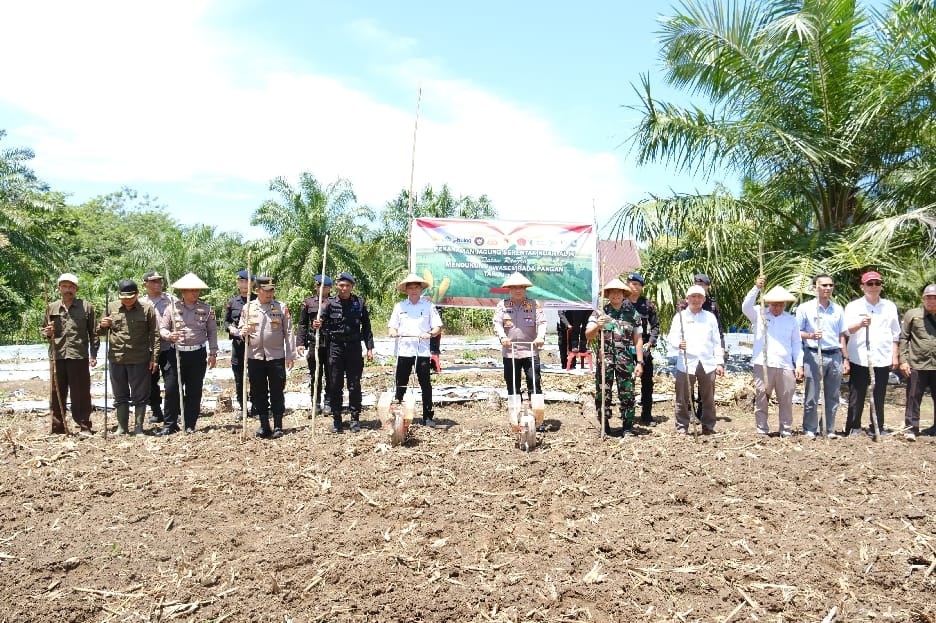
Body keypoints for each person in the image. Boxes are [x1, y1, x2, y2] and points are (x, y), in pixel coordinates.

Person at [313, 272, 374, 433]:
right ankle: (337, 419)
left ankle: (354, 419)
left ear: (352, 287)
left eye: (347, 285)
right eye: (341, 285)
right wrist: (318, 324)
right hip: (336, 348)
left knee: (354, 385)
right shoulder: (329, 303)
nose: (344, 288)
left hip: (354, 348)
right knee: (335, 385)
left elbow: (366, 327)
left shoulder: (359, 303)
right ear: (337, 286)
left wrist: (369, 348)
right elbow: (321, 322)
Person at [742, 278, 804, 437]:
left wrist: (799, 364)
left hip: (785, 365)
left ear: (784, 304)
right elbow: (745, 306)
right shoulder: (759, 313)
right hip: (763, 364)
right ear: (768, 303)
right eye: (773, 304)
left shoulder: (791, 320)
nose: (776, 307)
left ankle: (785, 430)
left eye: (780, 304)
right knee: (762, 397)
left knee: (786, 400)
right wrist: (756, 287)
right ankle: (762, 430)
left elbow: (796, 343)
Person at [159, 272, 218, 435]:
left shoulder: (206, 309)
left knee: (194, 390)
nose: (195, 293)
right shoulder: (171, 308)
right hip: (175, 353)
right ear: (182, 292)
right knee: (171, 389)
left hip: (197, 354)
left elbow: (212, 332)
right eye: (191, 290)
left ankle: (190, 424)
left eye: (197, 290)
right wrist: (169, 335)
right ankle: (169, 424)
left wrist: (213, 353)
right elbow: (163, 328)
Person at [98, 279, 159, 435]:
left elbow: (155, 334)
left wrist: (154, 358)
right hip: (117, 358)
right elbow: (98, 332)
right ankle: (122, 427)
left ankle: (138, 427)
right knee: (120, 394)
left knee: (140, 395)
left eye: (130, 297)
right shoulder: (111, 307)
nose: (127, 300)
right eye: (124, 297)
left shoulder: (147, 309)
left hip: (139, 358)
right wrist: (102, 325)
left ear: (137, 294)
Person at [238, 276, 297, 439]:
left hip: (276, 357)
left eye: (272, 290)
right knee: (258, 392)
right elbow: (241, 329)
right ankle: (264, 425)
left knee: (277, 391)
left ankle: (278, 425)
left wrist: (290, 354)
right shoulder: (248, 308)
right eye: (266, 291)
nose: (270, 293)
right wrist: (243, 332)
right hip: (254, 356)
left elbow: (289, 331)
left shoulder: (280, 307)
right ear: (257, 291)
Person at [843, 271, 901, 437]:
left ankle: (877, 426)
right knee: (857, 394)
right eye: (870, 284)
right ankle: (853, 427)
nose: (874, 287)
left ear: (881, 286)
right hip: (859, 357)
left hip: (882, 357)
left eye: (877, 283)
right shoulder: (854, 307)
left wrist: (894, 355)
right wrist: (860, 324)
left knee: (879, 394)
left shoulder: (889, 306)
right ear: (862, 287)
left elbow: (895, 334)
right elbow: (846, 330)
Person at [584, 278, 644, 436]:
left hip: (626, 361)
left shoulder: (633, 315)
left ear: (624, 294)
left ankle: (627, 427)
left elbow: (638, 339)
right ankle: (605, 426)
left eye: (619, 292)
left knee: (627, 393)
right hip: (605, 360)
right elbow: (588, 335)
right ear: (608, 294)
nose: (616, 295)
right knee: (603, 393)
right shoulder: (599, 313)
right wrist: (598, 325)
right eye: (613, 292)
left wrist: (639, 362)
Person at [43, 273, 99, 436]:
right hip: (57, 355)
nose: (68, 290)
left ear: (76, 289)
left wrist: (93, 354)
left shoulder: (86, 307)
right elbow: (45, 332)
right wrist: (48, 333)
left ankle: (84, 426)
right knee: (56, 392)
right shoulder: (51, 308)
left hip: (78, 355)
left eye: (71, 287)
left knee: (80, 392)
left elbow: (93, 333)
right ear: (59, 288)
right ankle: (57, 427)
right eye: (65, 286)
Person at [795, 274, 849, 439]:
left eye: (830, 285)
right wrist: (811, 335)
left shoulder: (838, 309)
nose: (828, 288)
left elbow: (842, 335)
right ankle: (809, 429)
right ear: (815, 287)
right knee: (812, 394)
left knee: (832, 395)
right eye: (824, 285)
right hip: (813, 354)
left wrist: (845, 358)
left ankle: (828, 428)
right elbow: (796, 333)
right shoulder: (805, 308)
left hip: (835, 356)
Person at [666, 284, 725, 434]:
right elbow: (671, 337)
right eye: (693, 297)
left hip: (707, 363)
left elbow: (717, 341)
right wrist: (678, 344)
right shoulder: (680, 317)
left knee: (708, 398)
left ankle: (708, 426)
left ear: (704, 299)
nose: (696, 300)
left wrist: (719, 362)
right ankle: (681, 427)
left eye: (699, 297)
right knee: (682, 398)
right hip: (686, 363)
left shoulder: (710, 317)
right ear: (687, 299)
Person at [492, 272, 547, 428]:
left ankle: (538, 420)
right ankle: (515, 417)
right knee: (512, 384)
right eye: (515, 288)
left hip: (530, 351)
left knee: (534, 383)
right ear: (509, 289)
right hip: (510, 352)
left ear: (525, 289)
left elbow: (542, 322)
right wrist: (503, 337)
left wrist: (540, 337)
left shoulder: (534, 304)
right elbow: (497, 323)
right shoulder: (502, 305)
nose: (518, 290)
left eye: (521, 287)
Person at [388, 273, 443, 427]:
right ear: (406, 290)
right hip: (403, 350)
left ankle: (428, 416)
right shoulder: (399, 307)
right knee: (401, 383)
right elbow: (392, 326)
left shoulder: (428, 306)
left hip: (422, 351)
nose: (413, 290)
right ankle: (397, 414)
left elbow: (437, 327)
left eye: (416, 287)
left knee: (425, 384)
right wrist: (393, 332)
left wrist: (430, 334)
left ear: (420, 289)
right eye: (410, 288)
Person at [139, 270, 178, 428]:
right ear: (145, 284)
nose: (158, 284)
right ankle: (156, 411)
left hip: (168, 346)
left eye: (159, 281)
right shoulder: (140, 302)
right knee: (149, 382)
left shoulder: (171, 300)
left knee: (172, 381)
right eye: (154, 282)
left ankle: (175, 412)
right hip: (149, 348)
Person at [898, 284, 936, 440]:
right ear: (923, 298)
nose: (931, 301)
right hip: (917, 363)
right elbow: (903, 338)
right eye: (928, 297)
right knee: (913, 397)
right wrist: (903, 361)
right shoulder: (912, 314)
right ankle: (911, 428)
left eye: (934, 298)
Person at [626, 272, 660, 425]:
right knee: (627, 384)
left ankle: (646, 415)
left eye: (638, 284)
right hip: (625, 348)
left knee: (647, 383)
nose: (635, 287)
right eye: (633, 284)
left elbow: (656, 326)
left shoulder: (647, 305)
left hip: (644, 346)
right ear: (628, 285)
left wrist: (651, 342)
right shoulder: (622, 303)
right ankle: (628, 415)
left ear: (642, 287)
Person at [224, 269, 257, 419]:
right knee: (239, 378)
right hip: (238, 344)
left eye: (247, 281)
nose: (244, 284)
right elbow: (226, 322)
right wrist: (233, 330)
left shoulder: (258, 300)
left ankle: (257, 405)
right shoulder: (233, 302)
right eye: (241, 281)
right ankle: (243, 408)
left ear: (253, 283)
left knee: (256, 376)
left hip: (255, 344)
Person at [298, 274, 332, 416]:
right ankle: (315, 402)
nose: (321, 288)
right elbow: (302, 323)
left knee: (331, 375)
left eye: (324, 286)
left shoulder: (334, 302)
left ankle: (329, 402)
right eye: (318, 286)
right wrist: (300, 343)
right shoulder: (309, 303)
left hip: (331, 344)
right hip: (314, 343)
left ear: (329, 288)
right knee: (315, 374)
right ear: (315, 286)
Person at [678, 273, 726, 352]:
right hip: (689, 350)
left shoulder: (712, 305)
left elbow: (718, 330)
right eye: (696, 285)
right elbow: (677, 330)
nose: (698, 287)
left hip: (708, 351)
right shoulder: (684, 304)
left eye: (701, 285)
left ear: (707, 287)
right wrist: (678, 343)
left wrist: (722, 348)